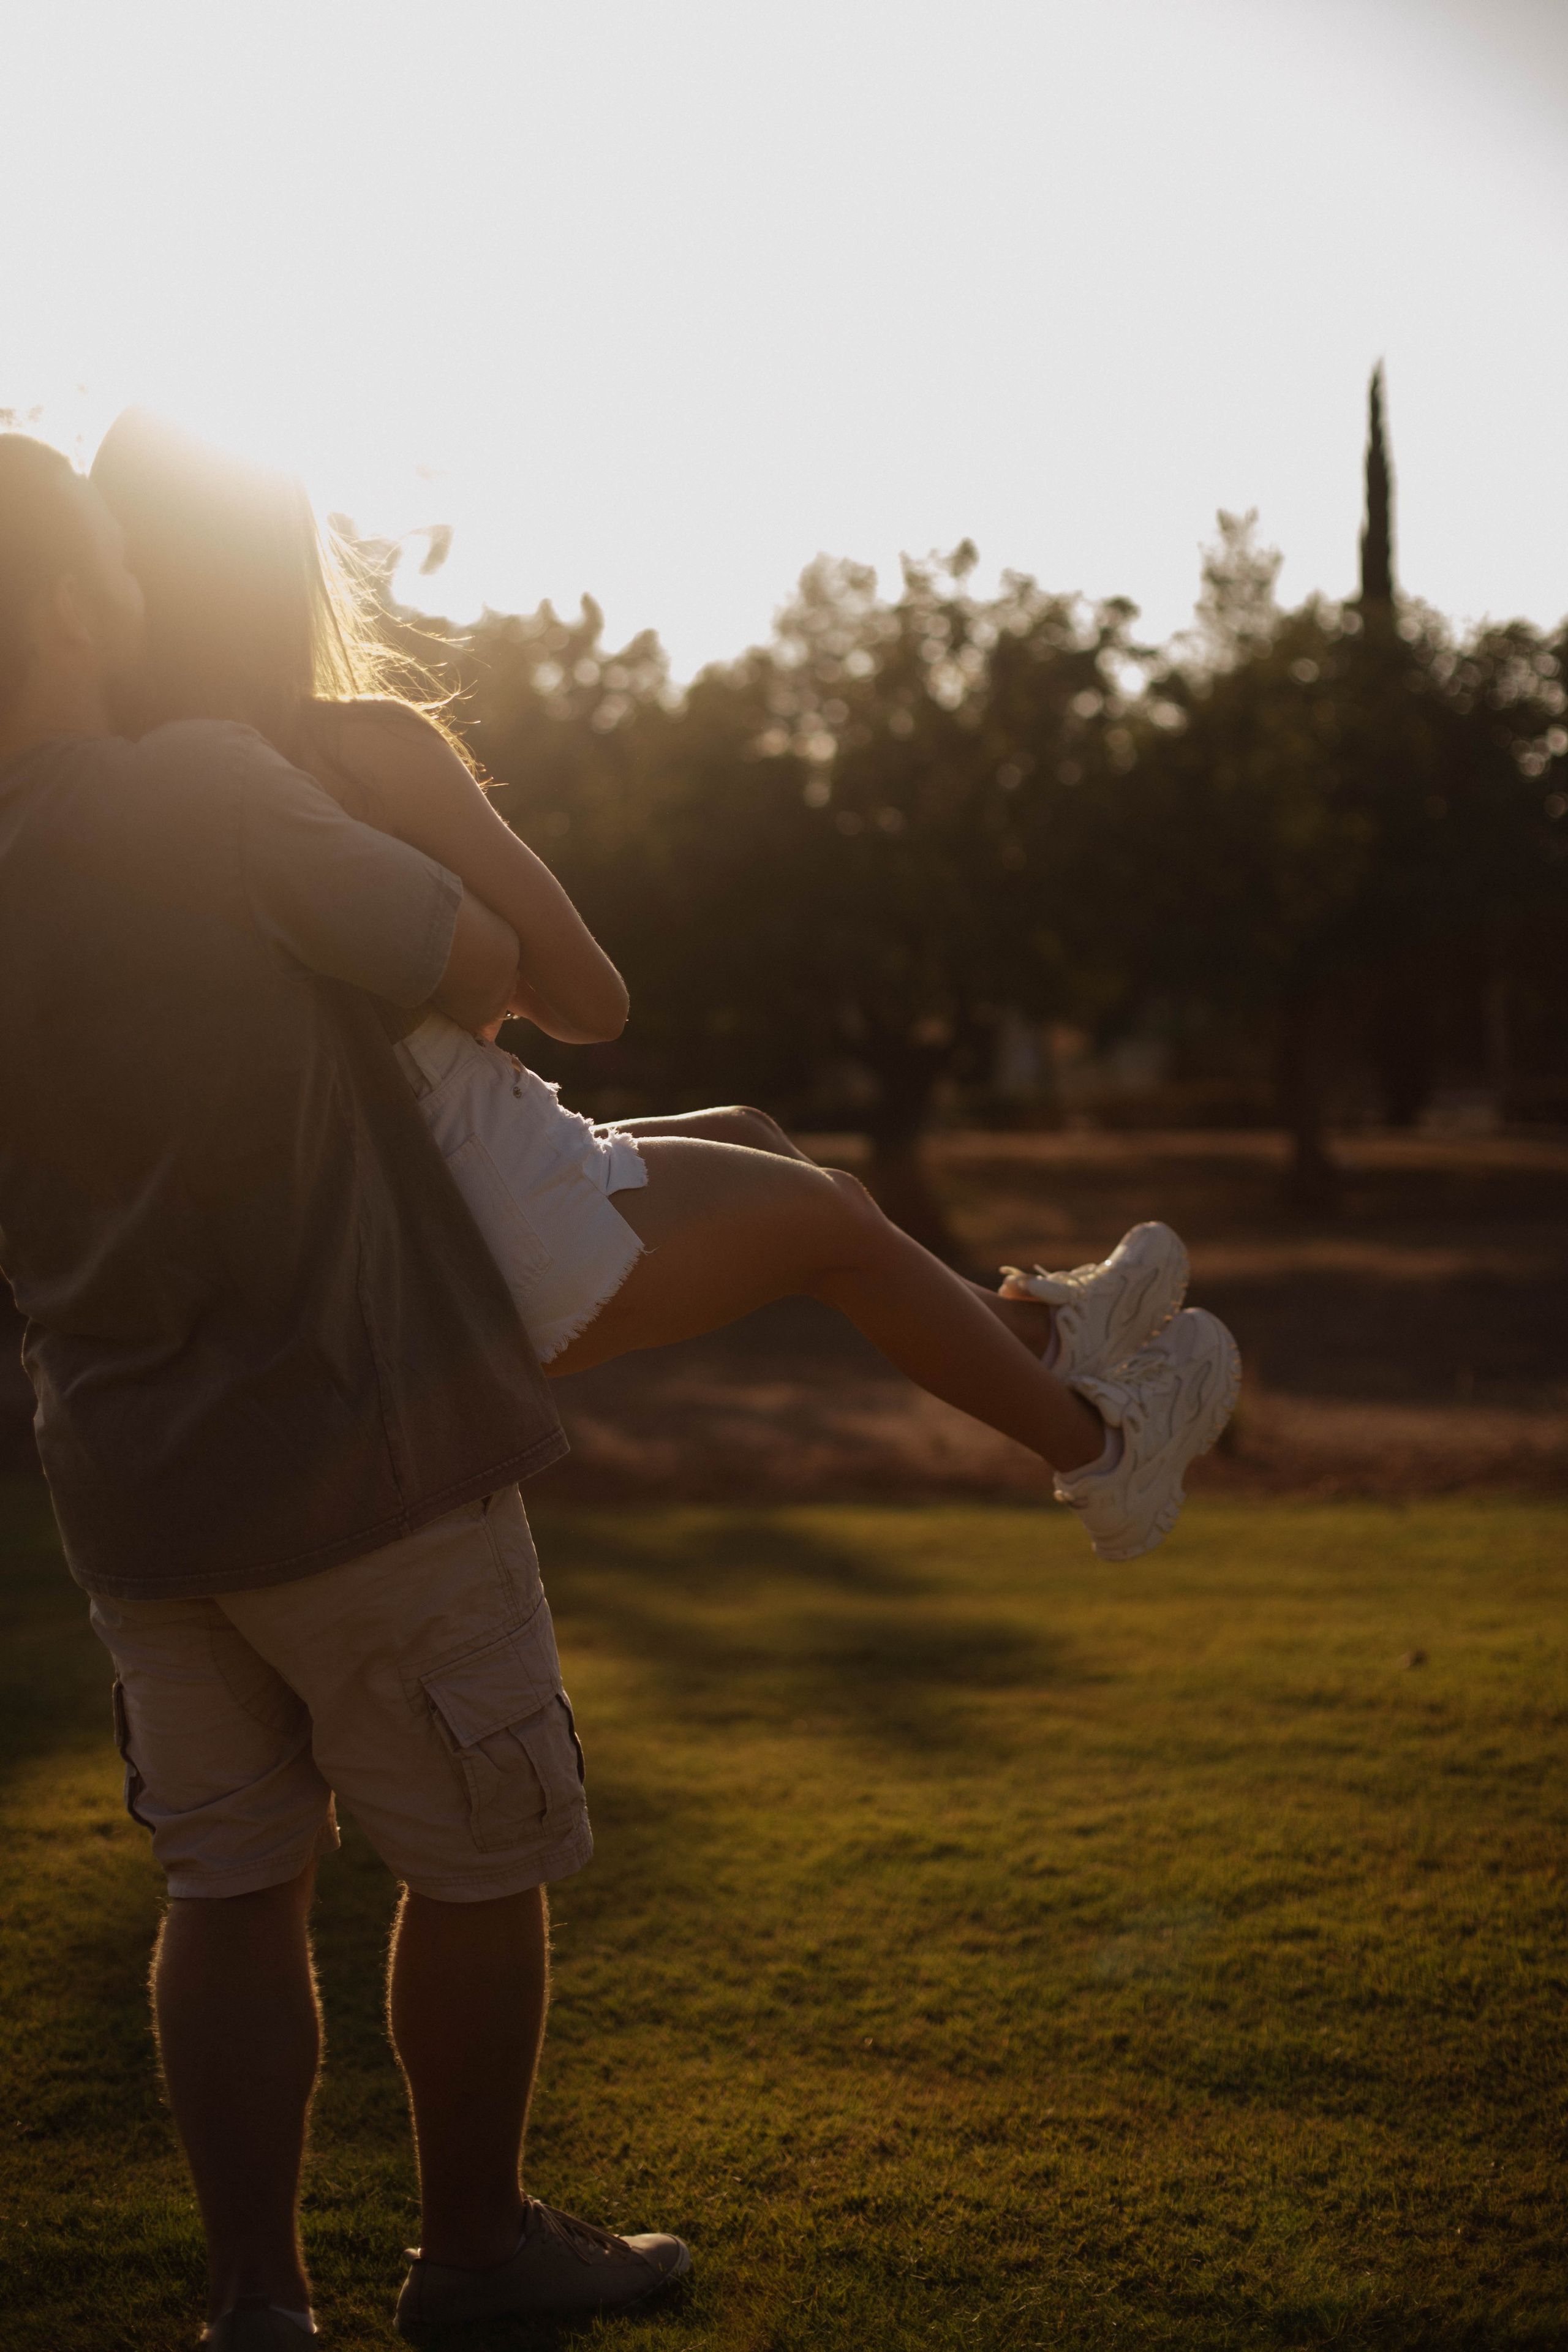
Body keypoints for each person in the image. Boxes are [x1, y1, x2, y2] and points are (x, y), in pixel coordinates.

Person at [90, 407, 1242, 1569]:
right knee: (837, 1219)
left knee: (756, 1136)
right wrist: (469, 944)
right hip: (490, 1204)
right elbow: (594, 1003)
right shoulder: (360, 753)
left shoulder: (101, 797)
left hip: (394, 1198)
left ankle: (1037, 1335)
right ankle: (1100, 1452)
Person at [0, 431, 692, 2350]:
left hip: (130, 1494)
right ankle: (472, 2258)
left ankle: (255, 2308)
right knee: (478, 1861)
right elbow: (489, 970)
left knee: (226, 1889)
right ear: (72, 602)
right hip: (357, 1444)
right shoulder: (207, 793)